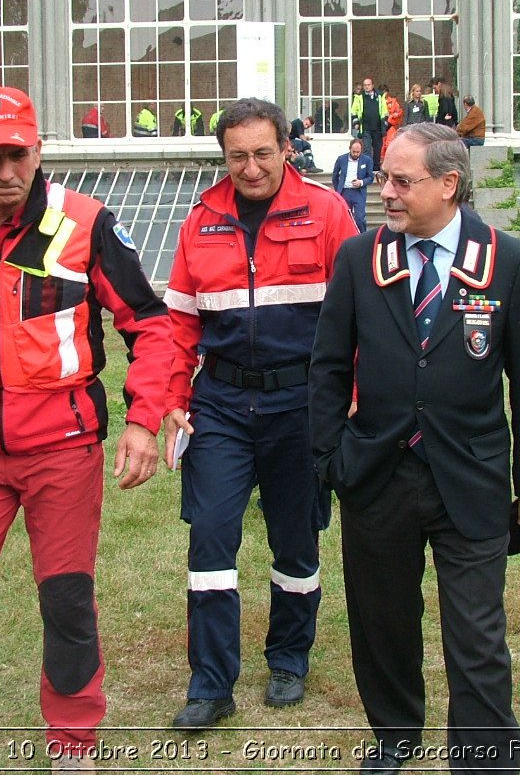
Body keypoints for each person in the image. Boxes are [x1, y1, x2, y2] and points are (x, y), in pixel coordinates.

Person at [0, 85, 174, 772]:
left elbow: (152, 325)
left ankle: (73, 746)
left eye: (17, 154)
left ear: (38, 148)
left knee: (67, 600)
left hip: (63, 449)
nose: (5, 172)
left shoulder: (86, 221)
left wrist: (143, 419)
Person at [308, 123, 520, 773]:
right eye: (385, 177)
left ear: (449, 184)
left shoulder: (507, 260)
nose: (384, 191)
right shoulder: (360, 260)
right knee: (382, 623)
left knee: (476, 636)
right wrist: (330, 458)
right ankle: (395, 735)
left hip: (469, 478)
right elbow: (329, 366)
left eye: (401, 180)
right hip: (376, 476)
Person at [162, 97, 357, 731]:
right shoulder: (200, 221)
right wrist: (170, 402)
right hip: (219, 403)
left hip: (300, 404)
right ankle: (211, 682)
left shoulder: (327, 213)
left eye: (263, 153)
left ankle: (289, 658)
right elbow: (178, 326)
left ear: (286, 149)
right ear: (223, 156)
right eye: (237, 156)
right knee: (210, 539)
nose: (250, 168)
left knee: (295, 540)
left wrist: (348, 403)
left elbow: (356, 321)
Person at [332, 137, 373, 232]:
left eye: (358, 152)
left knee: (359, 218)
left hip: (359, 192)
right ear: (349, 148)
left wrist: (361, 182)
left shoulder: (367, 160)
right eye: (353, 151)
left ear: (361, 150)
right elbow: (335, 176)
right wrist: (338, 190)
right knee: (345, 218)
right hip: (345, 192)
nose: (355, 154)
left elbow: (370, 177)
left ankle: (362, 237)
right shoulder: (341, 159)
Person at [352, 77, 389, 171]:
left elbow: (385, 111)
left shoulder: (380, 97)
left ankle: (376, 168)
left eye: (368, 85)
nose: (366, 87)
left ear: (372, 85)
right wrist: (356, 122)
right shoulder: (359, 97)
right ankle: (368, 168)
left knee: (377, 149)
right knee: (366, 148)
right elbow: (354, 111)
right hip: (365, 127)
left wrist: (384, 124)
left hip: (377, 127)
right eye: (365, 85)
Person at [381, 85, 404, 155]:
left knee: (390, 144)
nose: (384, 93)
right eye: (382, 92)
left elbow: (399, 112)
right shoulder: (378, 102)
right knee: (381, 146)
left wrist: (391, 118)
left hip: (391, 126)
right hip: (380, 126)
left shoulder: (393, 102)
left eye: (385, 91)